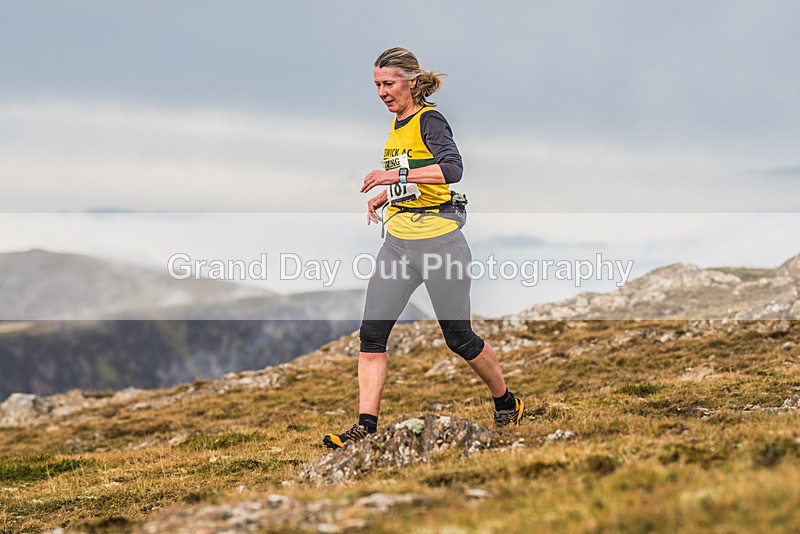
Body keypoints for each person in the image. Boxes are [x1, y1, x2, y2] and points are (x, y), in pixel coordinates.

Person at [323, 47, 524, 449]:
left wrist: (392, 177)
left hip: (439, 242)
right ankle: (365, 428)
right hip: (398, 244)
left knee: (459, 338)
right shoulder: (396, 125)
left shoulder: (429, 120)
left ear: (411, 82)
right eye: (377, 85)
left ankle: (506, 402)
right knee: (372, 335)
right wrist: (389, 195)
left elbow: (452, 169)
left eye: (389, 83)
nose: (382, 92)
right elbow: (417, 180)